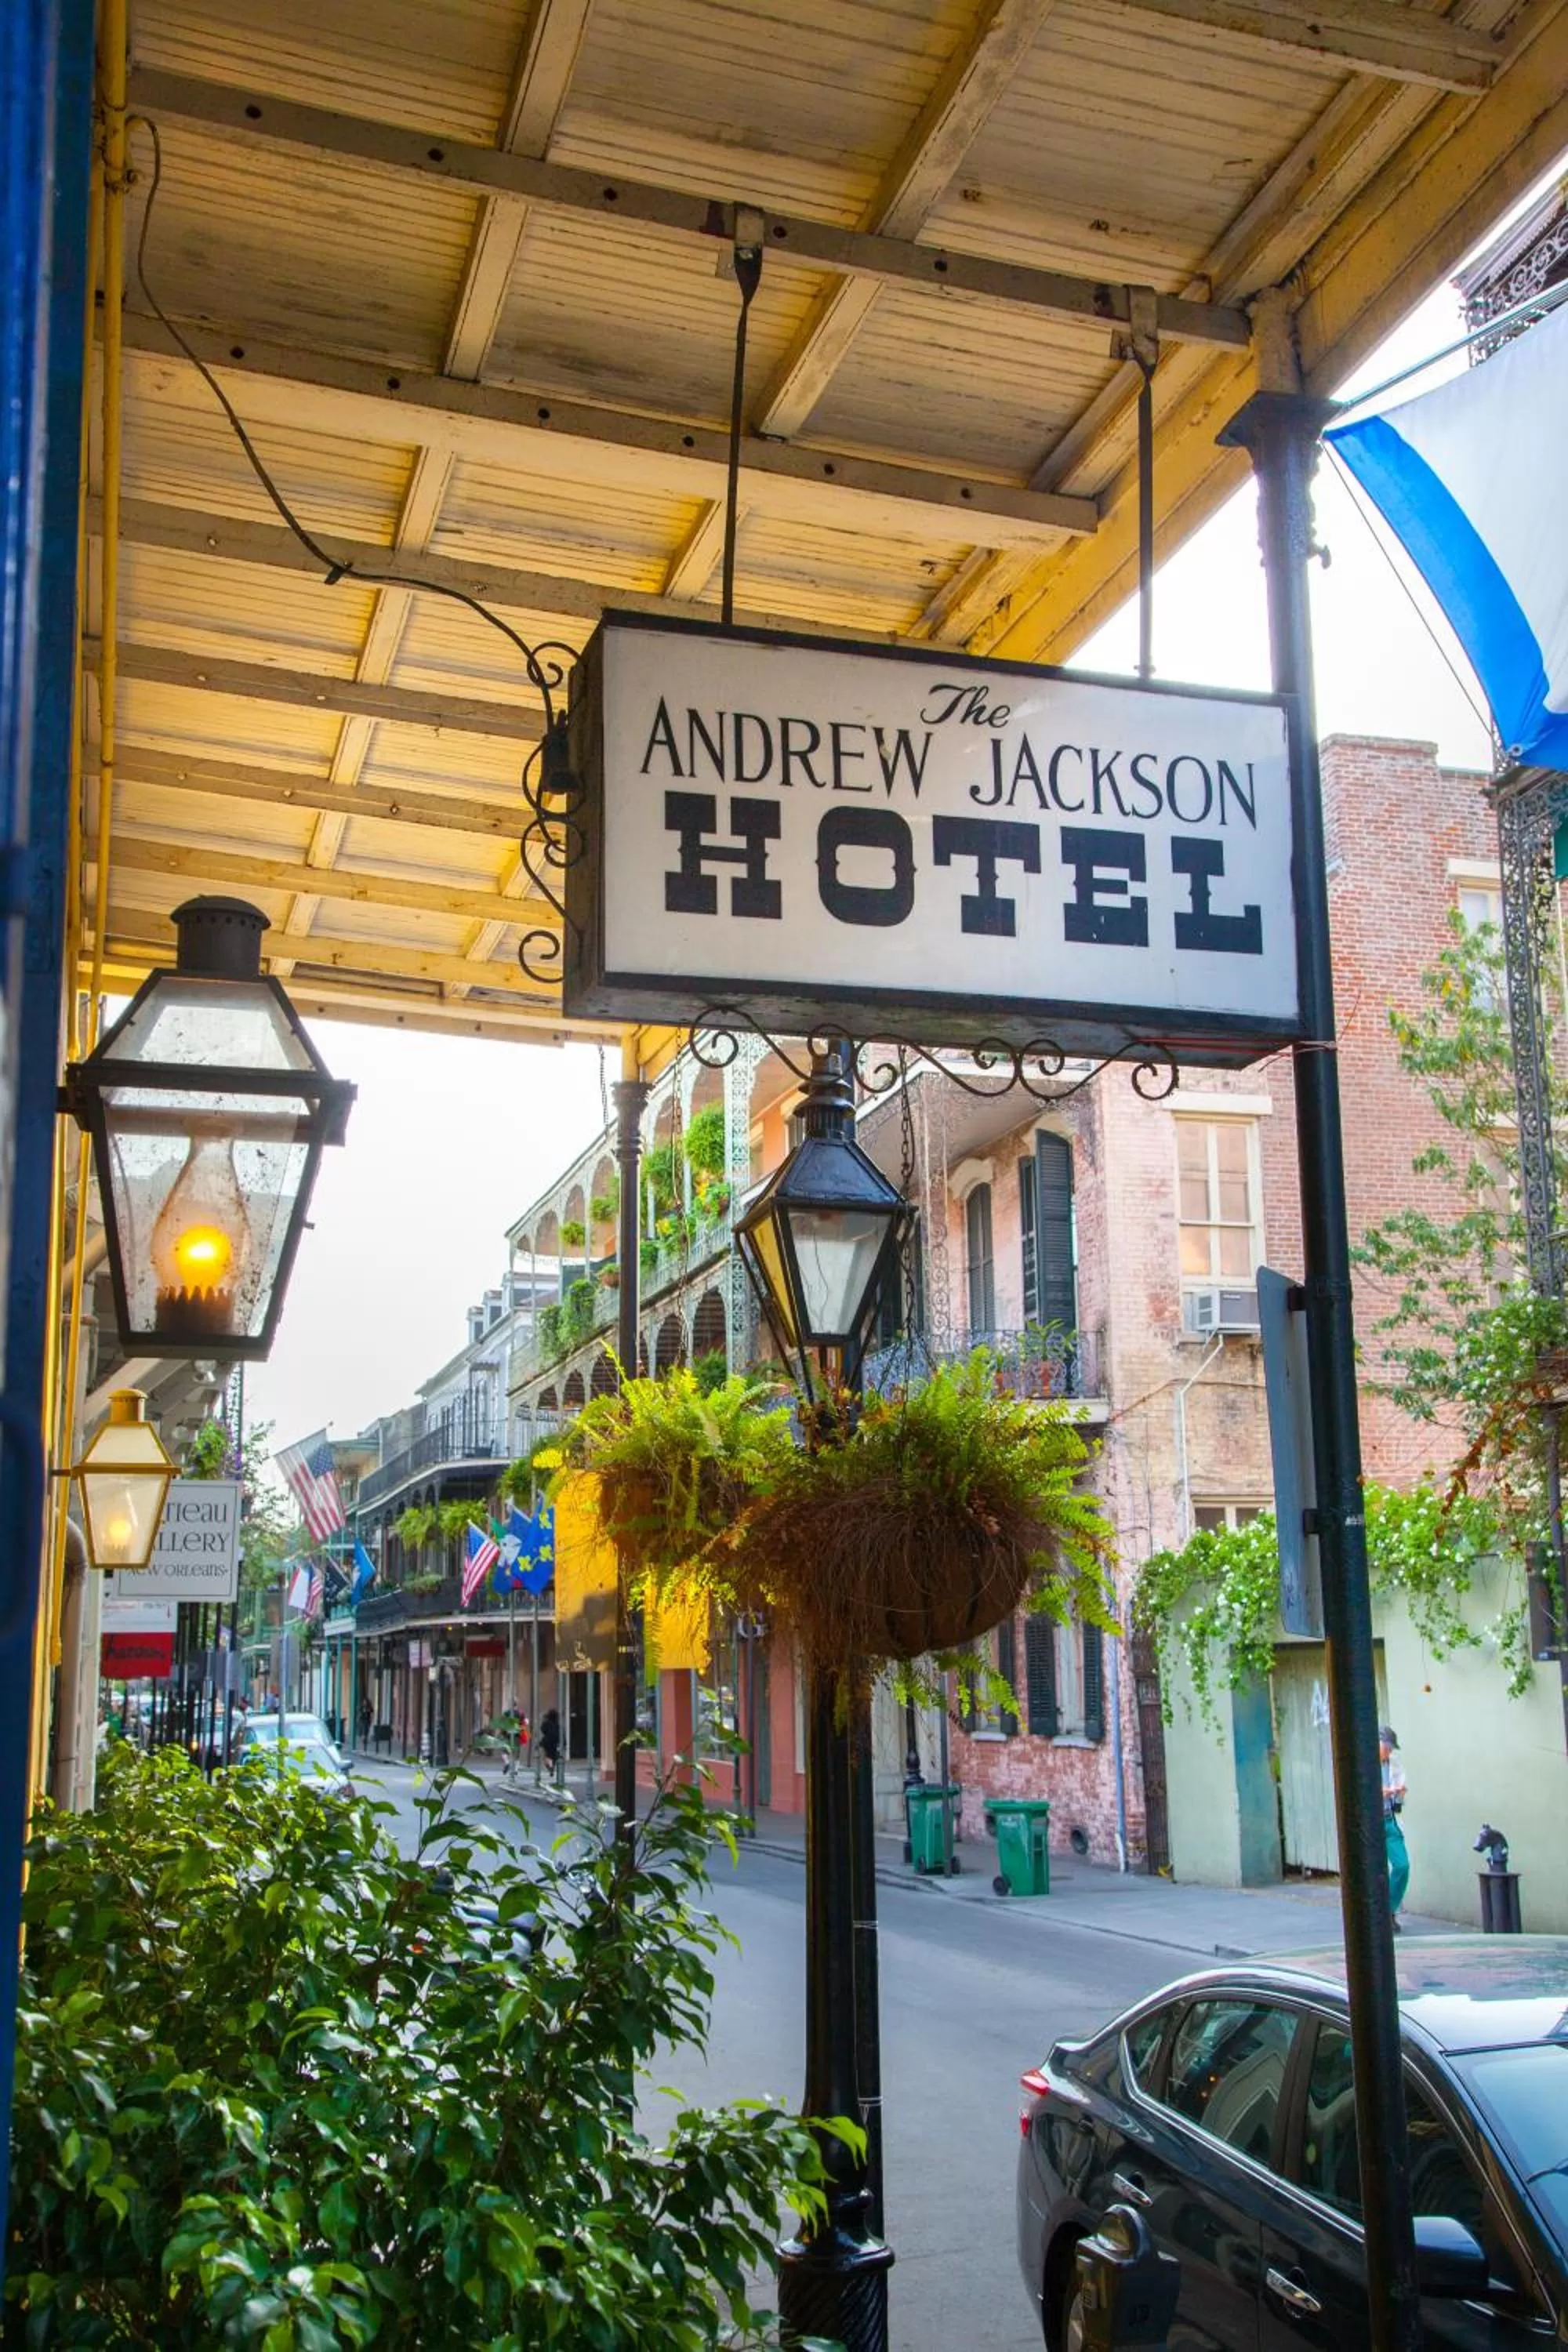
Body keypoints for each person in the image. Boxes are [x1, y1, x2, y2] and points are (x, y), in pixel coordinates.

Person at [1381, 1724, 1409, 1929]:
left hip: (1390, 1819)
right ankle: (1376, 1914)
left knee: (1402, 1865)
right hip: (1371, 1824)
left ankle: (1389, 1909)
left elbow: (1398, 1796)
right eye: (1386, 1747)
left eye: (1391, 1748)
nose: (1389, 1752)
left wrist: (1399, 1793)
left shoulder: (1394, 1764)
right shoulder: (1363, 1763)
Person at [539, 1706, 561, 1780]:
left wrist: (543, 1720)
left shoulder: (546, 1723)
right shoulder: (557, 1724)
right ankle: (552, 1766)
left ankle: (550, 1767)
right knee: (553, 1754)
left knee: (547, 1755)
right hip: (556, 1741)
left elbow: (543, 1730)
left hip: (547, 1740)